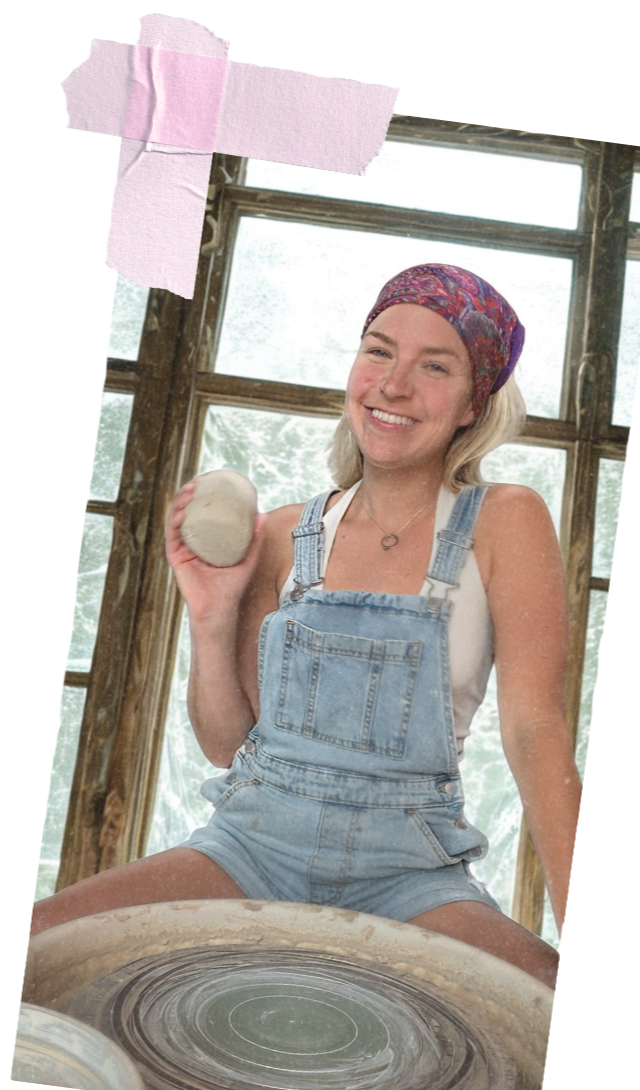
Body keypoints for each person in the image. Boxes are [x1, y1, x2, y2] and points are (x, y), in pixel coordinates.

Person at [30, 265, 582, 991]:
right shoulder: (287, 535)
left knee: (575, 1018)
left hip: (411, 874)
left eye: (434, 366)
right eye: (379, 351)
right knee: (41, 947)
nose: (392, 385)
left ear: (474, 402)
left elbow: (535, 733)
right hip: (249, 848)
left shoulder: (506, 519)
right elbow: (228, 743)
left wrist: (606, 948)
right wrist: (211, 611)